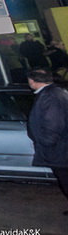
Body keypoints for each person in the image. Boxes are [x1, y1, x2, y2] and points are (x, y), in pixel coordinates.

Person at [26, 68, 68, 213]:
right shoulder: (55, 92)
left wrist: (45, 142)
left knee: (65, 180)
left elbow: (53, 123)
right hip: (61, 147)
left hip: (59, 149)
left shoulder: (50, 96)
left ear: (32, 81)